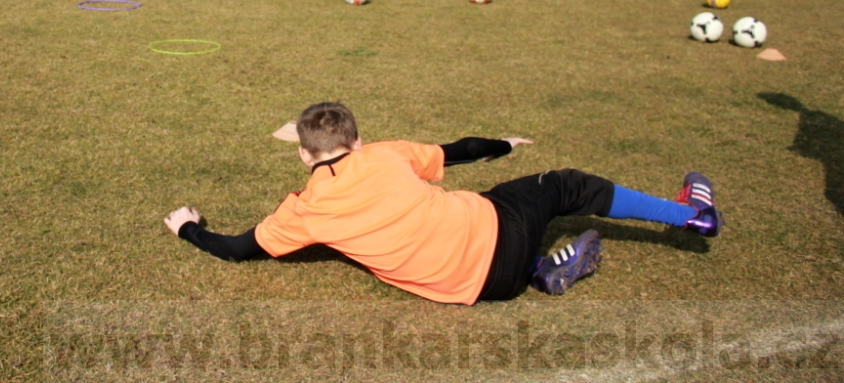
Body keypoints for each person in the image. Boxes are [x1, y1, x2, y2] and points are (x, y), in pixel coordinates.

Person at [164, 102, 721, 304]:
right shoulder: (383, 154)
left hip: (474, 291)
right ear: (356, 141)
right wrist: (505, 144)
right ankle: (690, 215)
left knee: (487, 212)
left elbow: (239, 249)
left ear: (306, 158)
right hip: (496, 229)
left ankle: (541, 271)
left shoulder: (302, 211)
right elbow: (457, 152)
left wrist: (189, 229)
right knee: (562, 185)